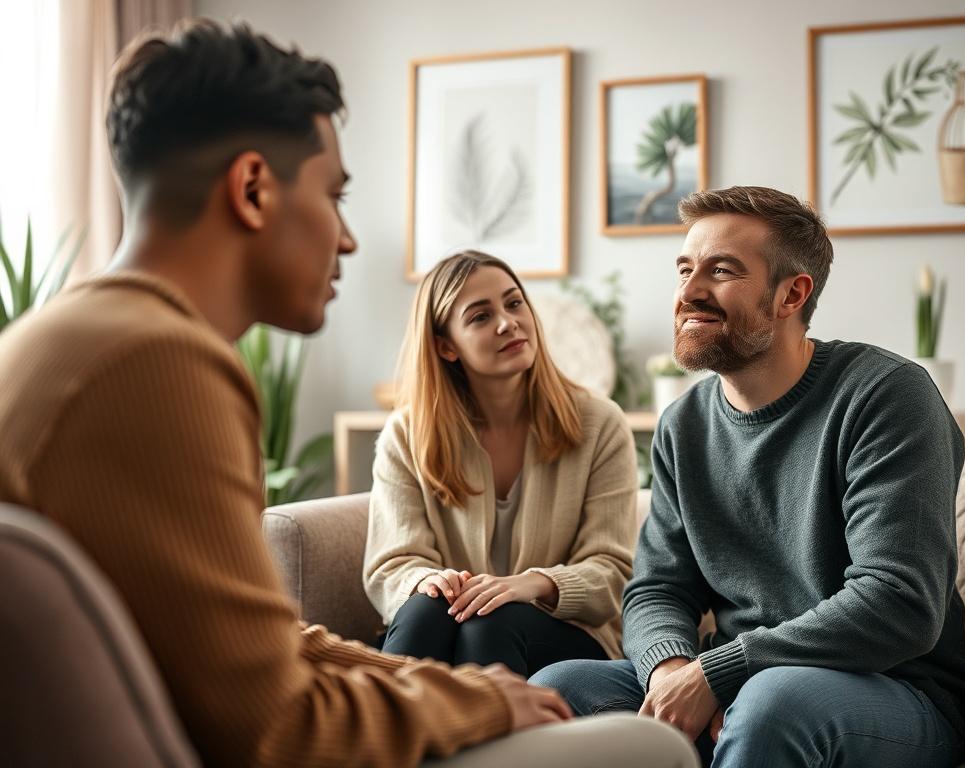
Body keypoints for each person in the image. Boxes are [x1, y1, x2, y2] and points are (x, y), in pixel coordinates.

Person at [0, 20, 700, 768]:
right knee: (647, 749)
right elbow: (276, 724)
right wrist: (483, 702)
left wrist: (455, 691)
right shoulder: (163, 364)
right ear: (252, 188)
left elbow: (254, 646)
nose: (348, 239)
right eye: (334, 195)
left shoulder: (63, 340)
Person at [532, 185, 965, 767]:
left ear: (791, 294)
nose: (689, 293)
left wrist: (721, 673)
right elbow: (657, 588)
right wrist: (673, 673)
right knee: (556, 689)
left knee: (773, 701)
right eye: (685, 269)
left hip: (897, 693)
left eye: (721, 271)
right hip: (745, 682)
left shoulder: (887, 397)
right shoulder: (683, 424)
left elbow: (898, 601)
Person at [363, 250, 638, 679]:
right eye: (479, 316)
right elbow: (393, 565)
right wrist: (436, 583)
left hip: (566, 634)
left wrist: (530, 585)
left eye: (514, 303)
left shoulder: (600, 423)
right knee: (427, 609)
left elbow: (613, 572)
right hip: (446, 622)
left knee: (491, 619)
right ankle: (384, 742)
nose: (508, 322)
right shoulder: (408, 434)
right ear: (445, 346)